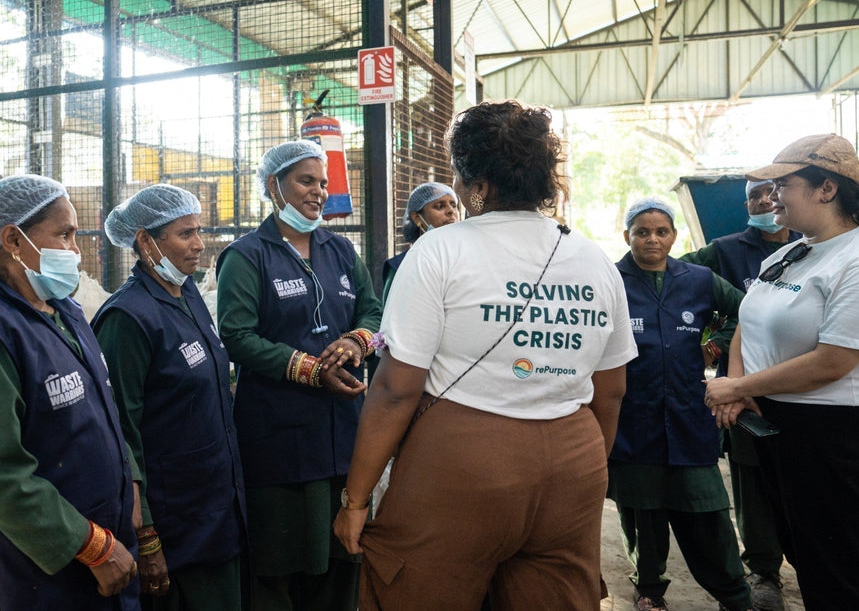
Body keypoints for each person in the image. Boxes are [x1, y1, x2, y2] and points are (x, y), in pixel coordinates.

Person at [333, 100, 635, 611]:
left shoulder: (439, 251)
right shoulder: (595, 260)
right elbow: (613, 389)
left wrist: (355, 500)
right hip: (574, 461)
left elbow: (395, 388)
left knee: (418, 589)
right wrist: (582, 470)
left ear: (478, 185)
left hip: (462, 466)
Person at [0, 174, 140, 611]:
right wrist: (92, 545)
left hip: (96, 550)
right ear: (13, 241)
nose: (76, 251)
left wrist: (130, 488)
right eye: (64, 234)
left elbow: (103, 412)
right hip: (33, 572)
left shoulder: (67, 314)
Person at [704, 133, 859, 609]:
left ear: (827, 189)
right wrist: (736, 387)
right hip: (775, 421)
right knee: (803, 550)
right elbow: (746, 322)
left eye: (783, 183)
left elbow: (834, 361)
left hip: (832, 432)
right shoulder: (791, 252)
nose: (772, 195)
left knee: (836, 565)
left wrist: (739, 385)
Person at [215, 139, 382, 611]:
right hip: (279, 444)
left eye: (323, 182)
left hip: (344, 440)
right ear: (274, 185)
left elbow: (373, 311)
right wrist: (311, 370)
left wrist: (356, 341)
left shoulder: (340, 250)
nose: (318, 191)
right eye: (305, 181)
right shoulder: (247, 257)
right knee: (279, 569)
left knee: (342, 565)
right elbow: (237, 335)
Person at [93, 185, 246, 609]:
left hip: (216, 510)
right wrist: (146, 537)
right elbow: (121, 435)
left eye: (199, 231)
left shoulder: (188, 293)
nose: (199, 245)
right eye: (185, 234)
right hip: (175, 525)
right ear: (145, 240)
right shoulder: (128, 318)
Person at [611, 197, 752, 611]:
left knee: (708, 512)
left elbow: (750, 313)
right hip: (632, 419)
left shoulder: (699, 279)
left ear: (674, 236)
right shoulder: (609, 279)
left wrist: (718, 346)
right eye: (642, 231)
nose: (652, 239)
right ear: (627, 236)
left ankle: (734, 596)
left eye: (661, 231)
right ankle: (649, 591)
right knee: (642, 516)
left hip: (690, 416)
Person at [681, 180, 800, 610]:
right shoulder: (725, 250)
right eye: (754, 196)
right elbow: (670, 273)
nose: (766, 201)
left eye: (773, 192)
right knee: (752, 480)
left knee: (806, 479)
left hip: (803, 389)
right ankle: (765, 572)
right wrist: (709, 334)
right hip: (743, 389)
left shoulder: (810, 247)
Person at [381, 182, 458, 302]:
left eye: (453, 205)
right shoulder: (400, 265)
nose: (450, 211)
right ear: (417, 217)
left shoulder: (464, 258)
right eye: (439, 206)